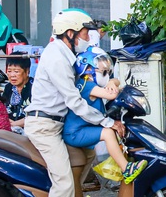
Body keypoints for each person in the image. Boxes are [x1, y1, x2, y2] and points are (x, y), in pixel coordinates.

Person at [24, 9, 107, 197]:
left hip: (57, 125)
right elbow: (73, 100)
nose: (86, 37)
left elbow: (93, 71)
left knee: (88, 156)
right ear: (70, 34)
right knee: (63, 181)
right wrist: (103, 121)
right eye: (84, 33)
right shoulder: (57, 58)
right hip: (44, 127)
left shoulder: (66, 53)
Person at [63, 47, 147, 184]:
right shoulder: (87, 85)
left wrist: (111, 82)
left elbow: (116, 82)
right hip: (74, 133)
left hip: (81, 129)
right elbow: (112, 93)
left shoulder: (89, 83)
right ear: (88, 70)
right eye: (104, 72)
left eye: (109, 72)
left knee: (111, 132)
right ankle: (126, 169)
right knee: (108, 133)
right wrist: (112, 83)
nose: (107, 75)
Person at [2, 55, 33, 133]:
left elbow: (38, 115)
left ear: (27, 71)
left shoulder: (35, 87)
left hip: (30, 130)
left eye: (16, 71)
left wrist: (16, 124)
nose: (12, 75)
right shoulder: (8, 87)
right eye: (9, 71)